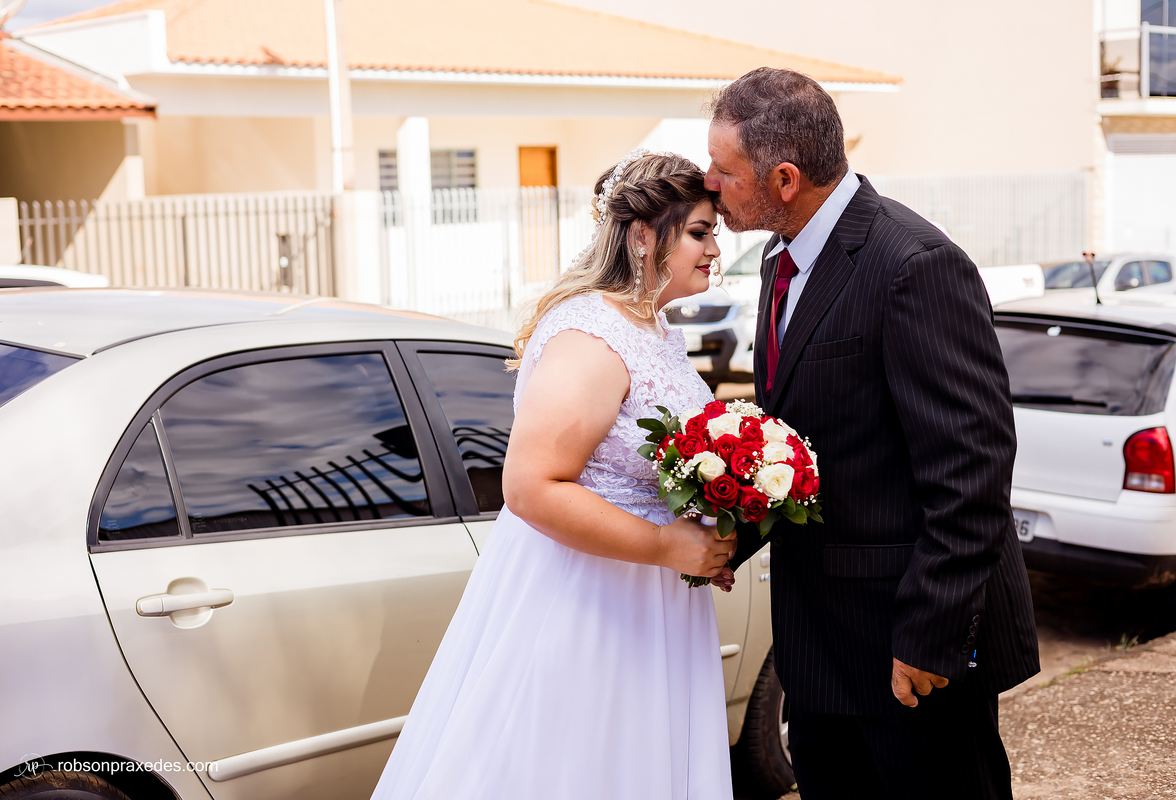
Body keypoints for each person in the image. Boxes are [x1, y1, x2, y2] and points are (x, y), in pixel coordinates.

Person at [705, 68, 1040, 799]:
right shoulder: (778, 259)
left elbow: (972, 473)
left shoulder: (914, 266)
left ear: (784, 179)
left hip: (910, 651)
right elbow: (809, 446)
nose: (709, 183)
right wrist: (731, 533)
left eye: (724, 171)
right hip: (820, 650)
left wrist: (929, 638)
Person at [370, 152, 736, 800]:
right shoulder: (591, 338)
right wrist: (662, 544)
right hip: (589, 603)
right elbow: (530, 486)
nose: (716, 249)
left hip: (651, 604)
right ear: (644, 235)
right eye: (701, 232)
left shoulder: (654, 331)